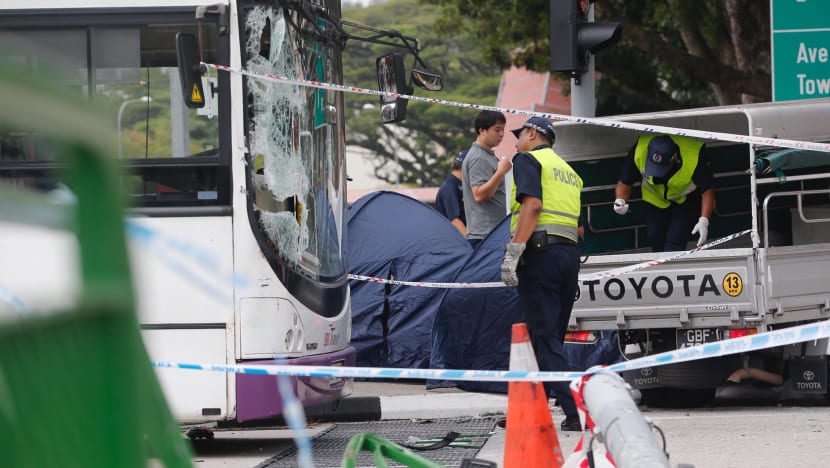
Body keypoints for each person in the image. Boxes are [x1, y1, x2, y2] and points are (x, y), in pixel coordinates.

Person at [499, 116, 583, 432]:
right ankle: (532, 411)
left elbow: (532, 206)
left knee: (545, 336)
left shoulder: (527, 160)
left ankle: (574, 410)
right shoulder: (569, 172)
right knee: (547, 338)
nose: (516, 141)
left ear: (533, 133)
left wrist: (514, 252)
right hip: (568, 255)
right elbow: (578, 225)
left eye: (519, 134)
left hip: (539, 254)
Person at [613, 134, 715, 252]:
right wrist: (620, 200)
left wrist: (704, 220)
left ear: (674, 157)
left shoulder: (694, 157)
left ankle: (672, 268)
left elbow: (708, 190)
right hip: (654, 198)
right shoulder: (639, 151)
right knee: (654, 236)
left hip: (685, 199)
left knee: (675, 239)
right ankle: (660, 267)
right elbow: (625, 181)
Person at [461, 110, 510, 248]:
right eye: (497, 129)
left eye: (503, 130)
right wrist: (500, 172)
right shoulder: (479, 157)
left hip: (491, 233)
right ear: (482, 130)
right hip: (486, 235)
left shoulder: (486, 154)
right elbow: (479, 195)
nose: (501, 134)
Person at [434, 150, 467, 236]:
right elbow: (455, 220)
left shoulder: (460, 184)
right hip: (454, 240)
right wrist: (472, 245)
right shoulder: (450, 187)